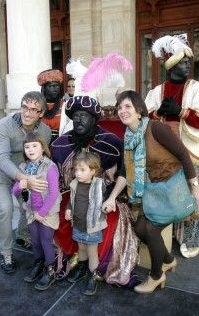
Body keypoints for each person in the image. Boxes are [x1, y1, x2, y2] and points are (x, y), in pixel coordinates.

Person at [103, 90, 199, 294]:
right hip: (151, 193)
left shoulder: (156, 128)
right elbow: (125, 171)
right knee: (140, 227)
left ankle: (156, 275)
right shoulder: (129, 137)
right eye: (119, 107)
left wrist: (196, 187)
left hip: (171, 190)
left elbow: (184, 155)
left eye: (127, 106)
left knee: (148, 228)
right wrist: (112, 197)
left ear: (140, 110)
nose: (122, 111)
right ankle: (167, 260)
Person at [145, 34, 199, 258]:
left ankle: (192, 238)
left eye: (189, 61)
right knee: (168, 196)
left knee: (192, 196)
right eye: (183, 61)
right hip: (163, 155)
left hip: (189, 153)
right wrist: (158, 113)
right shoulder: (156, 92)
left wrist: (181, 112)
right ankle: (169, 234)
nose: (188, 65)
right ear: (171, 65)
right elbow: (145, 118)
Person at [51, 95, 138, 286]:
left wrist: (111, 197)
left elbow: (124, 173)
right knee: (59, 218)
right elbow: (56, 179)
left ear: (94, 118)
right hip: (72, 196)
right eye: (75, 115)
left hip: (105, 197)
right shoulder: (60, 144)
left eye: (84, 115)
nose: (78, 119)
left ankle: (97, 267)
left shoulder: (112, 142)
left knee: (110, 222)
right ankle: (77, 261)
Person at [0, 91, 51, 274]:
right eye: (24, 107)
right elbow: (3, 159)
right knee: (5, 208)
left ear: (41, 114)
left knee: (29, 205)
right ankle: (6, 253)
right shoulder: (4, 125)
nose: (27, 113)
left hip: (24, 171)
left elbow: (40, 158)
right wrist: (24, 179)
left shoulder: (44, 132)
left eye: (33, 109)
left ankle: (23, 236)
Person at [12, 132, 60, 291]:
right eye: (27, 146)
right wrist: (21, 185)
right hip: (31, 212)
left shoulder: (50, 167)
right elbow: (15, 191)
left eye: (34, 146)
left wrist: (43, 212)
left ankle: (50, 269)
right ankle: (39, 263)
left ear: (42, 148)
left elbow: (54, 194)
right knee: (35, 240)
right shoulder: (23, 168)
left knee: (46, 241)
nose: (30, 149)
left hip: (47, 213)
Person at [65, 152, 107, 295]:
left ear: (93, 171)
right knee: (81, 249)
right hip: (78, 225)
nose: (77, 173)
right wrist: (68, 210)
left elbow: (103, 201)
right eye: (76, 169)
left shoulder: (99, 185)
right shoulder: (75, 184)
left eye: (82, 170)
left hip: (93, 227)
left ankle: (92, 276)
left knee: (92, 252)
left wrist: (108, 204)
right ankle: (82, 269)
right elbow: (71, 201)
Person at [38, 69, 64, 141]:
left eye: (57, 86)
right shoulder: (36, 106)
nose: (55, 89)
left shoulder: (64, 106)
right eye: (51, 86)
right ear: (44, 88)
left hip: (60, 142)